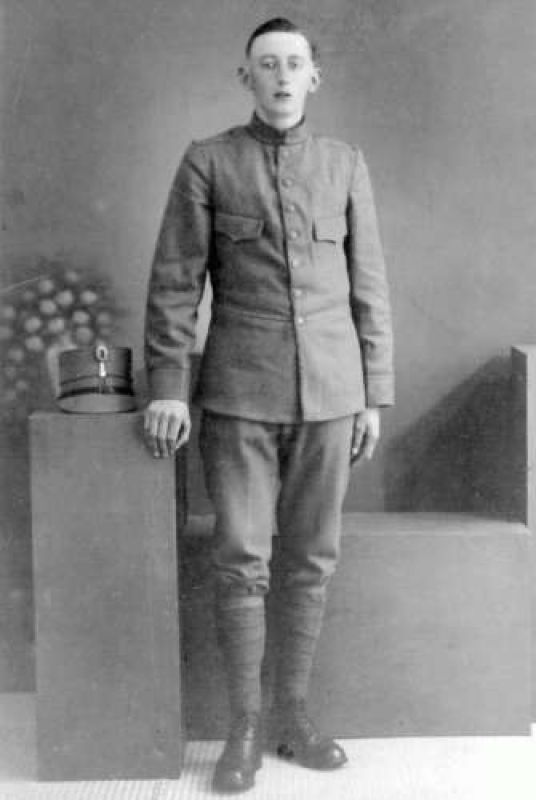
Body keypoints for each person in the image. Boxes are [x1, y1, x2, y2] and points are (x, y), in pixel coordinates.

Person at [144, 17, 394, 794]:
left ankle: (293, 717)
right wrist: (168, 388)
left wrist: (374, 396)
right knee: (242, 559)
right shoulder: (209, 162)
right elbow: (175, 283)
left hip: (333, 396)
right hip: (239, 396)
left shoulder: (344, 164)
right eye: (267, 64)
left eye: (294, 64)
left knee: (312, 559)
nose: (282, 77)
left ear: (314, 76)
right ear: (244, 77)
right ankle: (245, 728)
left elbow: (369, 288)